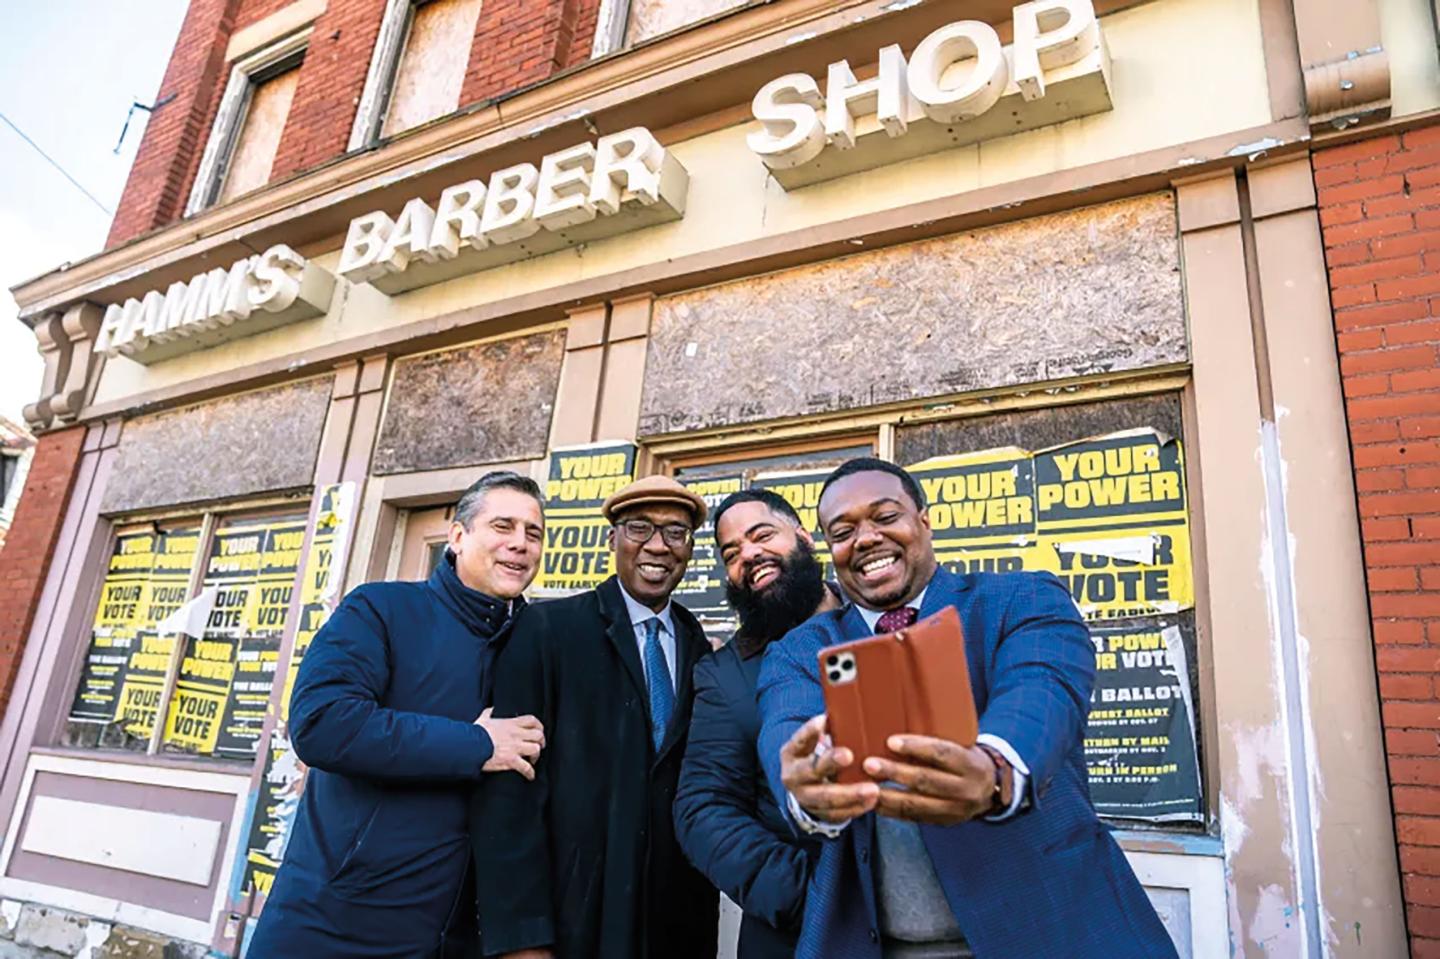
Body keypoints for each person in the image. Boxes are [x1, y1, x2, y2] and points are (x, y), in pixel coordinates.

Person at [758, 458, 1177, 959]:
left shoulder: (1019, 599)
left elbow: (1043, 687)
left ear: (924, 521)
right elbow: (788, 727)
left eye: (885, 517)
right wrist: (808, 786)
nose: (866, 538)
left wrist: (995, 765)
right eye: (843, 531)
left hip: (1053, 932)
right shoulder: (801, 650)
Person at [249, 471, 548, 959]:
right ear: (457, 537)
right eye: (503, 526)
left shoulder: (536, 641)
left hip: (454, 939)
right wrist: (478, 745)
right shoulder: (381, 608)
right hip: (332, 925)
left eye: (532, 533)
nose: (520, 544)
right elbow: (322, 722)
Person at [472, 474, 719, 959]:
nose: (658, 546)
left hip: (675, 926)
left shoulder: (698, 646)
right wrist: (522, 939)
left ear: (690, 549)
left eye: (676, 533)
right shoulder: (549, 629)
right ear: (613, 539)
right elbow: (510, 795)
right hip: (573, 924)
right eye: (639, 528)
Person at [674, 489, 838, 958]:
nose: (749, 554)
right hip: (799, 932)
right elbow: (704, 808)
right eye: (732, 552)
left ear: (804, 536)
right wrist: (810, 895)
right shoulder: (723, 674)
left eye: (762, 534)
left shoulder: (880, 621)